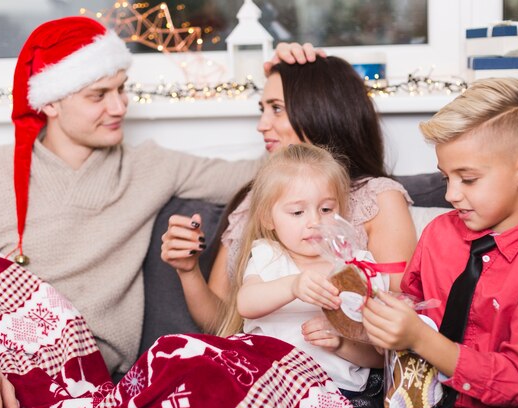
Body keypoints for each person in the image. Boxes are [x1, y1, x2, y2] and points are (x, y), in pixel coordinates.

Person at [0, 16, 275, 408]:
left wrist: (297, 84)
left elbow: (265, 176)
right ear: (51, 102)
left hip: (83, 384)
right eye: (99, 95)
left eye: (122, 89)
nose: (119, 106)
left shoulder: (150, 168)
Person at [362, 78, 518, 408]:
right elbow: (412, 312)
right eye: (445, 178)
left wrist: (420, 340)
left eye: (468, 179)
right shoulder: (439, 233)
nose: (451, 195)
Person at [161, 48, 417, 334]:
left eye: (277, 108)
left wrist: (343, 341)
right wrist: (188, 269)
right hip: (256, 360)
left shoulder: (378, 198)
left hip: (335, 368)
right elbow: (221, 322)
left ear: (321, 110)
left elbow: (401, 317)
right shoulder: (253, 200)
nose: (261, 125)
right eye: (263, 109)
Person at [216, 143, 383, 398]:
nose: (315, 222)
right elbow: (246, 304)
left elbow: (378, 358)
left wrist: (341, 343)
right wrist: (292, 286)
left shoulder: (357, 267)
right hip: (268, 383)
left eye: (326, 209)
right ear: (268, 219)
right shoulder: (269, 255)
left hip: (336, 391)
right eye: (297, 212)